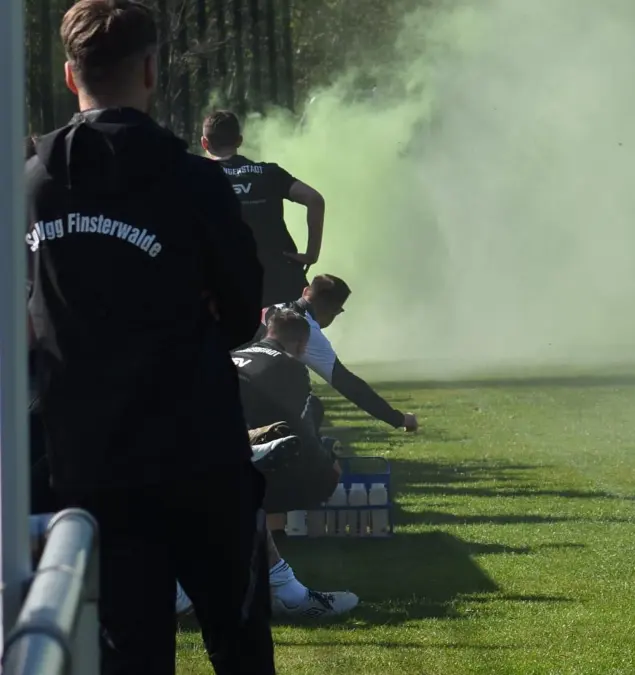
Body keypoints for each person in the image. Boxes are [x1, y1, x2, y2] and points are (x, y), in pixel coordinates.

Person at [25, 1, 275, 673]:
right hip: (200, 454)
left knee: (131, 655)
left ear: (71, 76)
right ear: (150, 69)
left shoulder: (31, 187)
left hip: (93, 466)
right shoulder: (193, 181)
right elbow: (243, 313)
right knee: (240, 643)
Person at [176, 308, 360, 619]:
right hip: (217, 455)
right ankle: (282, 591)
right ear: (301, 345)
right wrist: (326, 469)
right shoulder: (288, 366)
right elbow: (302, 433)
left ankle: (280, 588)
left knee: (229, 487)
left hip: (204, 448)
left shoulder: (232, 354)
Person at [261, 274, 419, 432]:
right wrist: (399, 419)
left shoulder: (272, 308)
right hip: (251, 398)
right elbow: (348, 384)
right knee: (311, 406)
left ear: (305, 291)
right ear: (335, 311)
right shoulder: (307, 331)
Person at [201, 110, 326, 307]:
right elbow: (315, 199)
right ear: (239, 141)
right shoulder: (269, 173)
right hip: (280, 279)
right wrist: (312, 254)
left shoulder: (197, 177)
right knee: (292, 335)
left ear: (205, 143)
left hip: (226, 284)